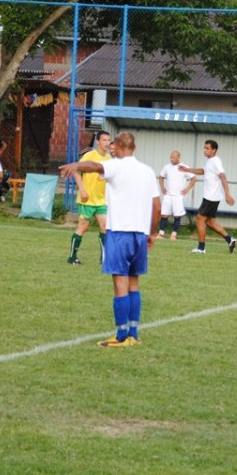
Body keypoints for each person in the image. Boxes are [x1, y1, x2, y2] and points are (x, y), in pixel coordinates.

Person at [60, 131, 161, 347]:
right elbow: (157, 206)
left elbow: (94, 166)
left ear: (118, 147)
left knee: (120, 284)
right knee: (134, 283)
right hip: (140, 234)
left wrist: (76, 165)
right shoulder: (147, 171)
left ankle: (121, 336)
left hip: (119, 233)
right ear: (134, 147)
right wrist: (152, 233)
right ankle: (134, 333)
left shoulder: (116, 165)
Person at [180, 139, 236, 254]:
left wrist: (227, 194)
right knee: (209, 222)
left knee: (199, 219)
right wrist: (187, 169)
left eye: (207, 148)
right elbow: (202, 171)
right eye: (204, 148)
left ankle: (201, 248)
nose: (205, 150)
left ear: (214, 150)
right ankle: (230, 240)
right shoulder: (209, 161)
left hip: (211, 197)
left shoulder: (216, 161)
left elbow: (223, 177)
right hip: (212, 197)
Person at [67, 130, 112, 265]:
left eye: (108, 140)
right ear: (97, 141)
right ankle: (72, 257)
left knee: (104, 227)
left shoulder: (109, 159)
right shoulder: (89, 155)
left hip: (101, 200)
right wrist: (81, 189)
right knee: (83, 227)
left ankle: (104, 258)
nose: (107, 143)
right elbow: (76, 170)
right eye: (104, 140)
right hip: (87, 199)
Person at [157, 150, 196, 240]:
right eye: (171, 157)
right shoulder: (166, 167)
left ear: (179, 157)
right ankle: (161, 234)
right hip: (168, 195)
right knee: (164, 214)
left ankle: (174, 235)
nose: (172, 159)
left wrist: (187, 189)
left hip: (178, 196)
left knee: (177, 215)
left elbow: (193, 178)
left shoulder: (184, 167)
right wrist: (162, 187)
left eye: (174, 157)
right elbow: (161, 176)